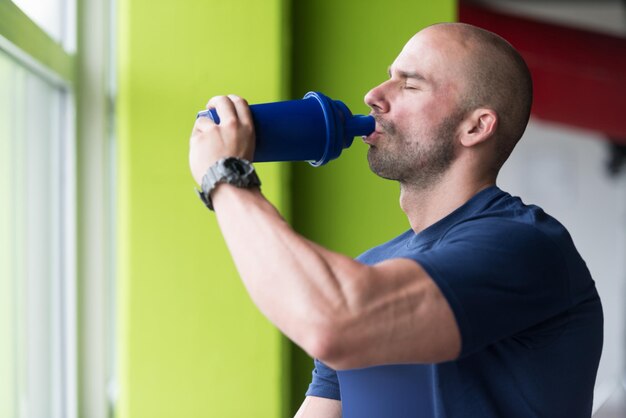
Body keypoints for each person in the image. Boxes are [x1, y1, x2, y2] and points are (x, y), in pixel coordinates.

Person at [188, 22, 603, 418]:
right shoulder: (371, 270)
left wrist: (225, 178)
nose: (373, 95)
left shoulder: (524, 247)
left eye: (409, 83)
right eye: (389, 77)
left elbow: (336, 322)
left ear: (475, 127)